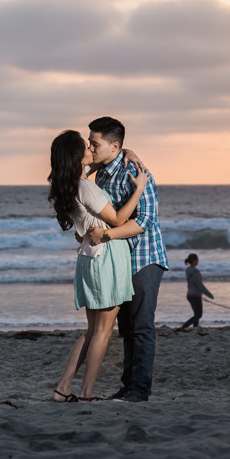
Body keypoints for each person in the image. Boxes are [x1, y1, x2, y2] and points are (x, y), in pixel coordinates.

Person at [47, 130, 150, 403]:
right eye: (86, 147)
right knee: (103, 331)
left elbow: (90, 167)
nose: (91, 150)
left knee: (92, 331)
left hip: (89, 256)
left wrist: (127, 151)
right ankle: (86, 393)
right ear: (76, 156)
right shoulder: (87, 187)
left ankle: (63, 388)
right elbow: (117, 220)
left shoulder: (68, 184)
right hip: (105, 257)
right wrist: (138, 188)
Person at [85, 116, 169, 403]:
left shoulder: (136, 170)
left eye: (95, 144)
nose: (91, 148)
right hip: (119, 261)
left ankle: (140, 390)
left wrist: (106, 234)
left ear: (114, 145)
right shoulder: (104, 171)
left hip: (144, 257)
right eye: (90, 143)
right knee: (126, 328)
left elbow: (145, 219)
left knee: (142, 326)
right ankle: (128, 387)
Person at [179, 253, 213, 329]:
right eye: (197, 259)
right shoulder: (195, 272)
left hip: (189, 294)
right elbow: (199, 285)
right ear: (194, 260)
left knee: (196, 314)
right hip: (195, 295)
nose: (198, 261)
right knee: (198, 315)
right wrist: (209, 294)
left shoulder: (188, 270)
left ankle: (195, 328)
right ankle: (184, 327)